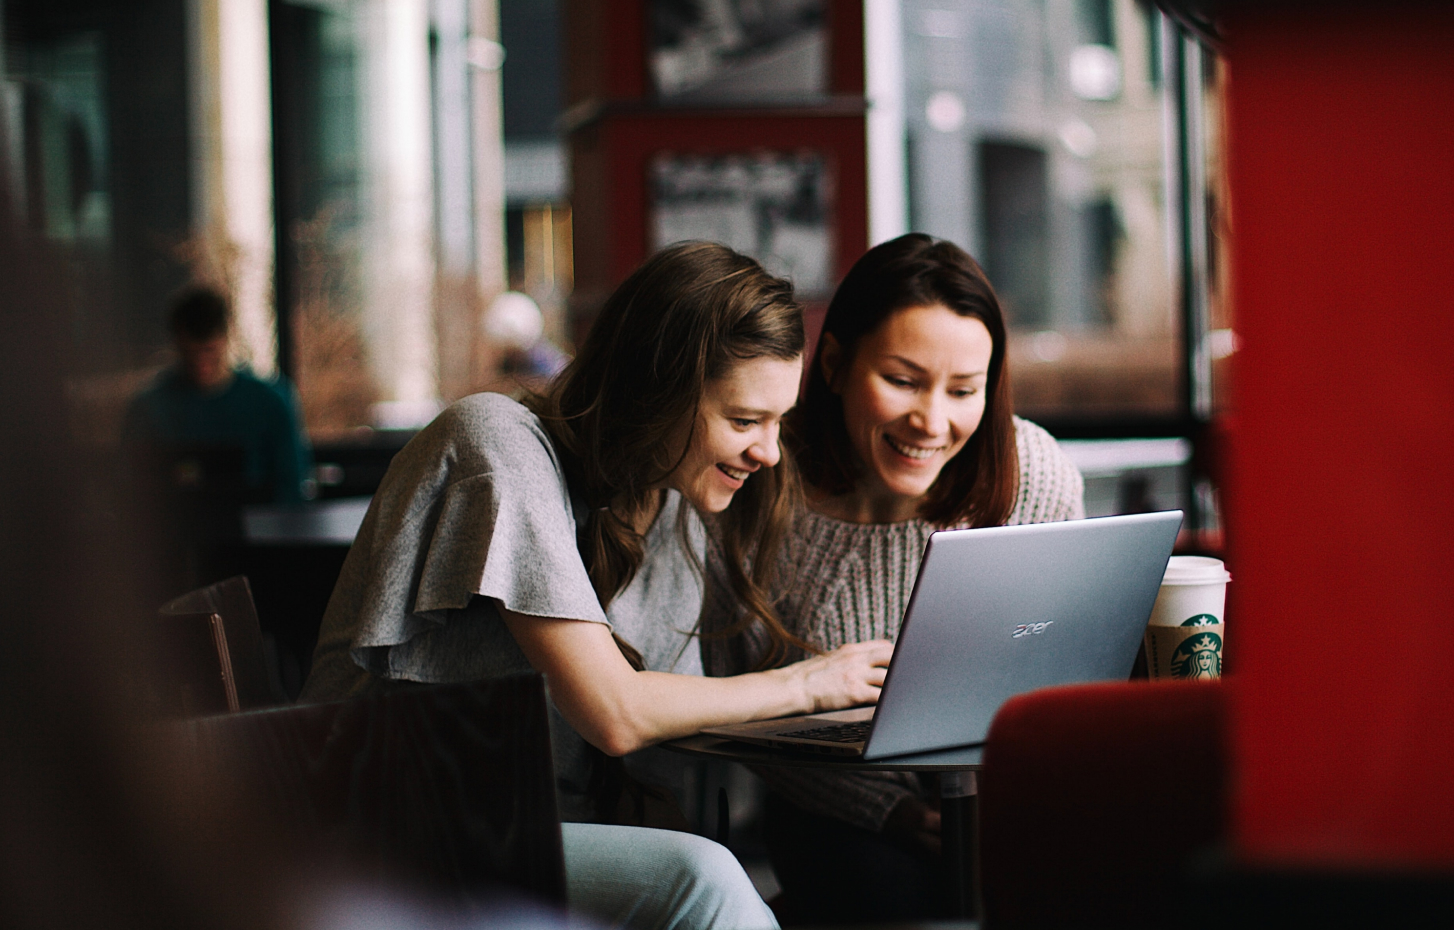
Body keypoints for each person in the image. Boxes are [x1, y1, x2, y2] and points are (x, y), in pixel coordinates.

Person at [301, 241, 893, 930]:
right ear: (658, 391)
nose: (767, 452)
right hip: (386, 832)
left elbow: (670, 717)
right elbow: (618, 715)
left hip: (519, 830)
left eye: (777, 423)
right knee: (704, 882)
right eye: (743, 420)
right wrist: (807, 684)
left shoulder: (668, 504)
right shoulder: (495, 444)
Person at [701, 233, 1085, 924]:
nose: (932, 422)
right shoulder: (755, 489)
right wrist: (893, 812)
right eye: (903, 381)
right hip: (836, 810)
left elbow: (1066, 658)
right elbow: (735, 706)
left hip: (1013, 799)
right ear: (838, 364)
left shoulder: (1033, 473)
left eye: (964, 390)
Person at [122, 286, 313, 504]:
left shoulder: (271, 402)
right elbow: (131, 488)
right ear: (177, 344)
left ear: (225, 339)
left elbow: (292, 488)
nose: (201, 364)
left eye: (209, 351)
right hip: (172, 533)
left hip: (259, 532)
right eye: (190, 354)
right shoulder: (148, 409)